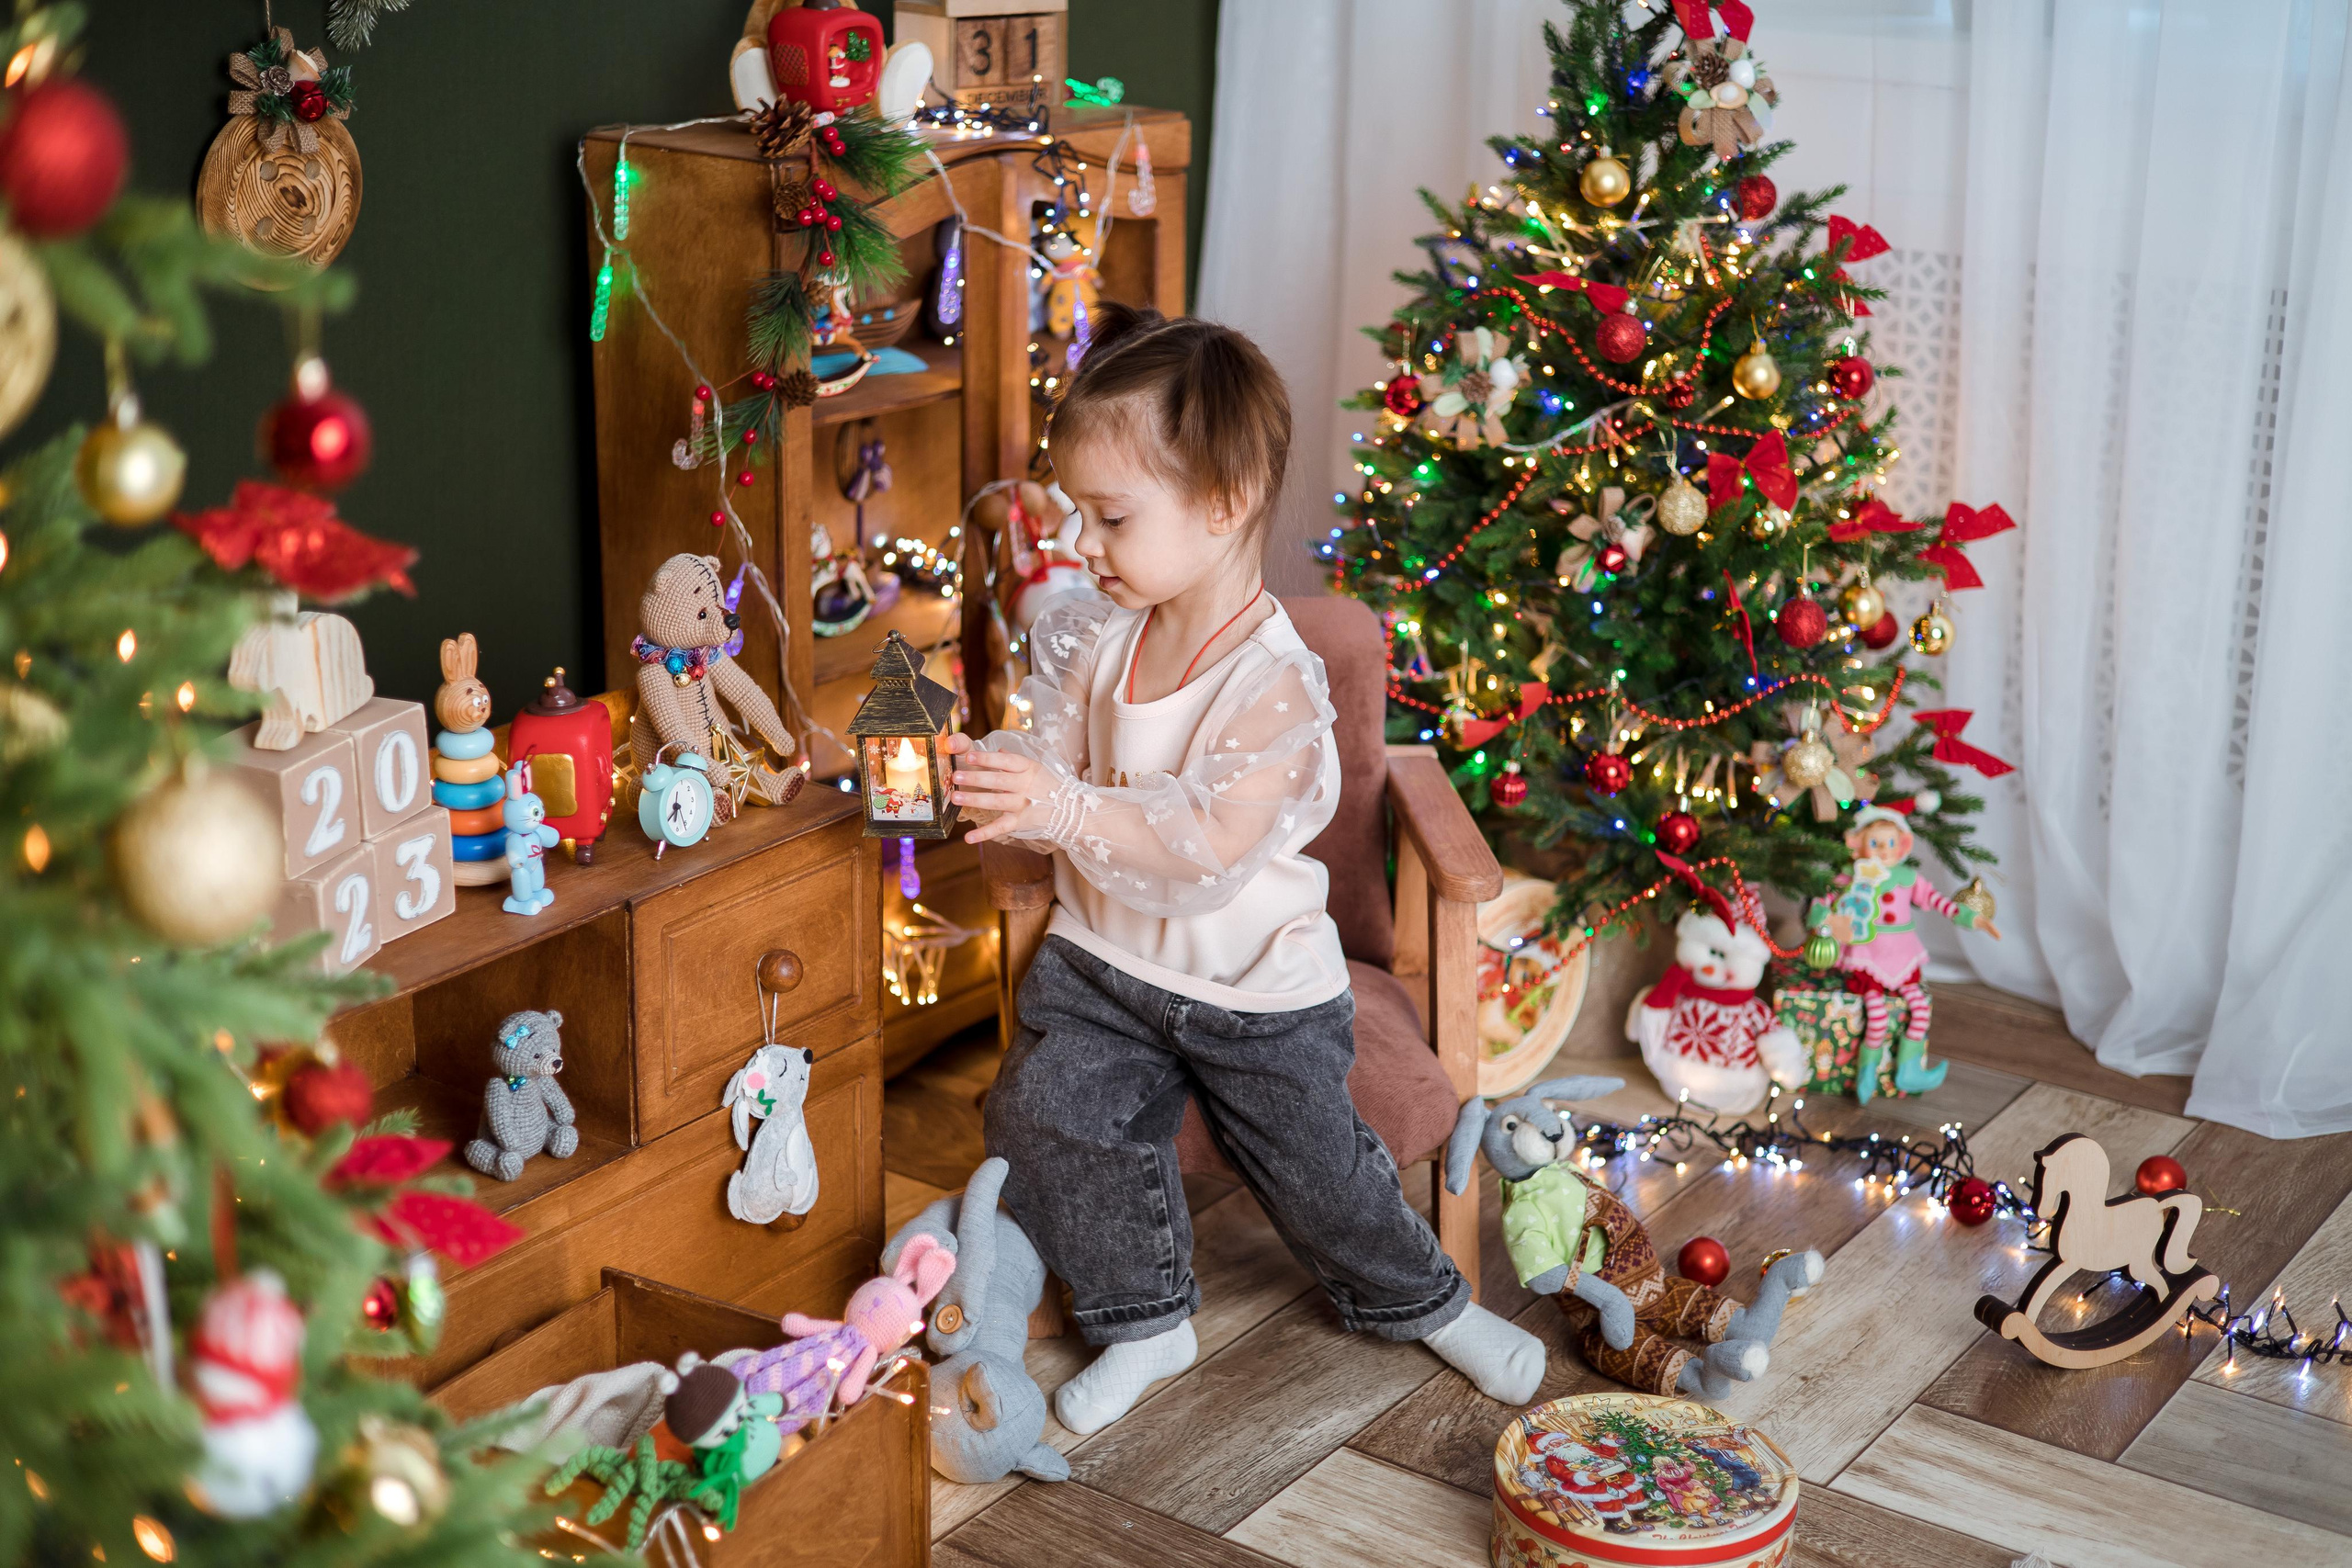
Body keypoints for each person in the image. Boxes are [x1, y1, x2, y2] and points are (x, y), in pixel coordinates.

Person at [943, 301, 1545, 1435]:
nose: (1080, 544)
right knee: (1043, 1114)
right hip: (1105, 963)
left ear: (1221, 505)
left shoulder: (1273, 683)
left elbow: (1206, 849)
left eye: (1110, 517)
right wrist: (1008, 771)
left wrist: (1064, 806)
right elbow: (1055, 749)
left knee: (1320, 1165)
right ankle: (1145, 1319)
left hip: (1254, 987)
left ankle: (1428, 1303)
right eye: (1076, 512)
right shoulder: (1099, 633)